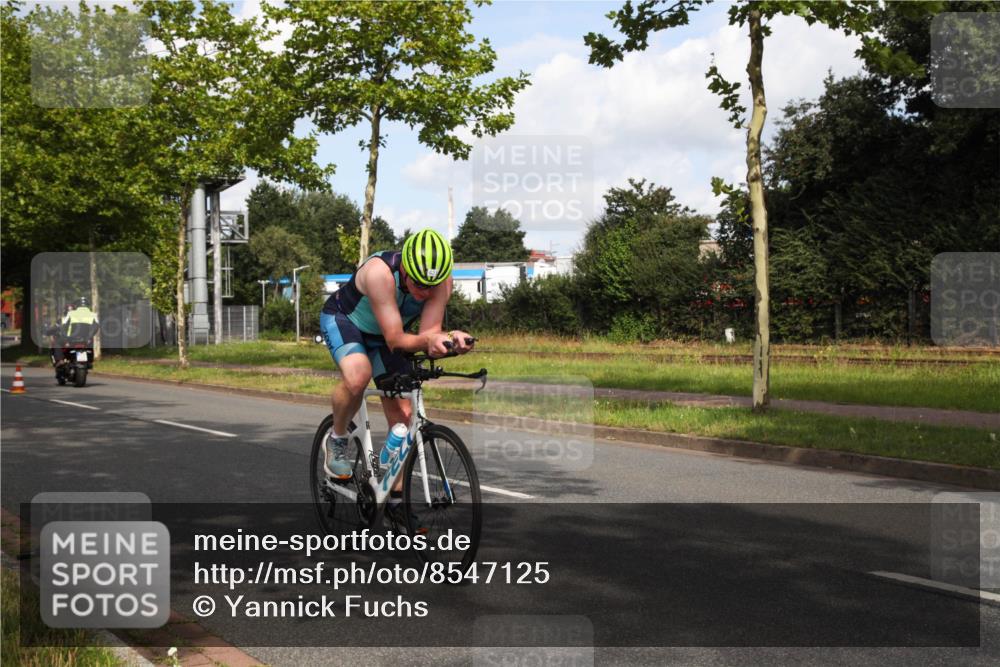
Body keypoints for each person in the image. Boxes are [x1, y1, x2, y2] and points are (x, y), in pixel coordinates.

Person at [319, 229, 473, 518]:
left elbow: (427, 336)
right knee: (358, 375)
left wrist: (449, 339)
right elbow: (395, 339)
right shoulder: (380, 273)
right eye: (417, 284)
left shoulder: (441, 283)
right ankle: (337, 438)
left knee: (403, 415)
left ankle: (395, 500)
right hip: (345, 321)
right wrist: (430, 340)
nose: (424, 293)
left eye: (432, 286)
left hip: (388, 336)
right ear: (404, 268)